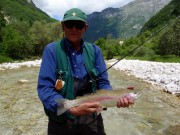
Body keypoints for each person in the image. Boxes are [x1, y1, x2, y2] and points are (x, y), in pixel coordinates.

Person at [37, 8, 134, 135]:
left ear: (85, 27)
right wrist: (71, 109)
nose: (74, 28)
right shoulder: (52, 50)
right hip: (62, 119)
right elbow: (45, 88)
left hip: (92, 117)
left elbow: (103, 83)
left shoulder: (95, 51)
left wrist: (117, 96)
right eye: (69, 24)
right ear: (62, 26)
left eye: (79, 25)